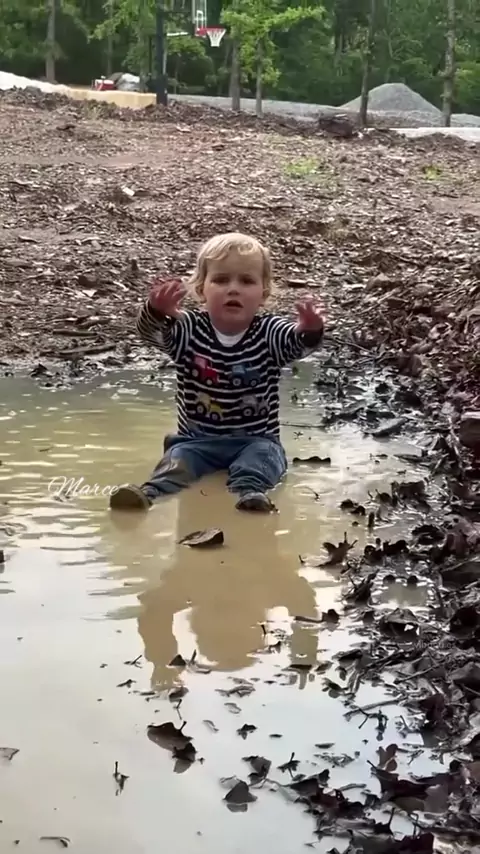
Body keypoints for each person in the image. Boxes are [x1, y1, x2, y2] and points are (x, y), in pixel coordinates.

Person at [109, 232, 325, 514]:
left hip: (255, 439)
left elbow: (298, 345)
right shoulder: (188, 329)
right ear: (202, 289)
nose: (233, 289)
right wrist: (156, 312)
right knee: (177, 461)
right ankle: (149, 493)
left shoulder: (269, 331)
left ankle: (250, 492)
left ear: (263, 294)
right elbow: (150, 335)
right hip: (196, 441)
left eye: (246, 281)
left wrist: (310, 329)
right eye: (221, 280)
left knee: (263, 459)